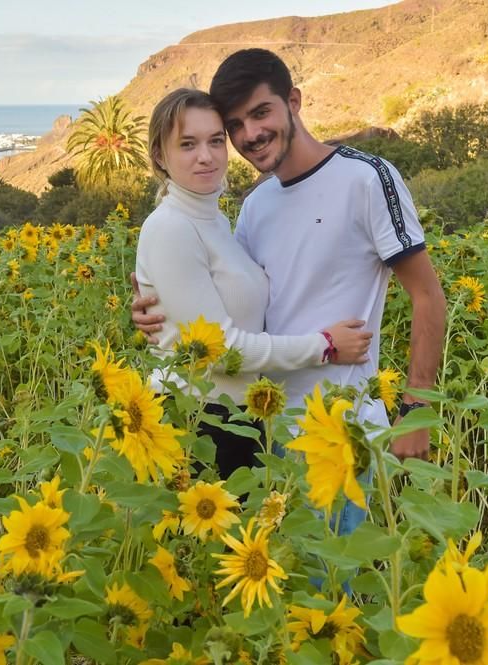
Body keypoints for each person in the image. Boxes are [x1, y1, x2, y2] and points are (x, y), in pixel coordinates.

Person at [134, 49, 446, 471]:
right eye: (236, 125)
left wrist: (414, 410)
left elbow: (427, 295)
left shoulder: (367, 179)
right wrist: (159, 311)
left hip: (339, 429)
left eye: (262, 112)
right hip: (264, 431)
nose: (251, 134)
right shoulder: (255, 205)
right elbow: (231, 302)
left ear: (293, 102)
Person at [136, 87, 373, 479]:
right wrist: (325, 346)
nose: (206, 156)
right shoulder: (170, 227)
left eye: (215, 141)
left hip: (235, 420)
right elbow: (222, 347)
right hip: (196, 423)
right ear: (160, 155)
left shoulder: (213, 222)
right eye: (187, 144)